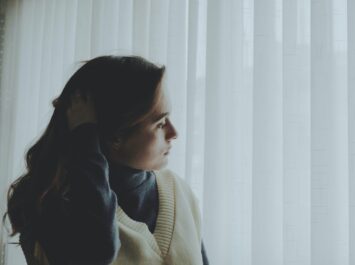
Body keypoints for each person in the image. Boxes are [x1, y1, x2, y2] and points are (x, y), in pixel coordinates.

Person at [3, 55, 209, 265]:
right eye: (160, 123)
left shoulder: (178, 190)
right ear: (115, 137)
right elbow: (98, 252)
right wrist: (85, 139)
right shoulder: (56, 205)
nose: (174, 133)